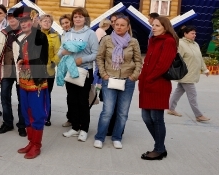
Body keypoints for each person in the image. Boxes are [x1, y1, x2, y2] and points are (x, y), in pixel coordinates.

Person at [94, 16, 142, 149]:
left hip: (128, 80)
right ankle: (99, 137)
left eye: (122, 25)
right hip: (109, 79)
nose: (119, 27)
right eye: (117, 25)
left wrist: (134, 76)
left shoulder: (133, 42)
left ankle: (117, 137)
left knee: (122, 112)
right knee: (107, 111)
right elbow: (100, 57)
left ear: (128, 27)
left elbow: (138, 60)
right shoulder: (107, 39)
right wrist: (103, 74)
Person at [138, 16, 178, 160]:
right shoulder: (153, 40)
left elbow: (163, 65)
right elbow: (147, 62)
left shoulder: (169, 41)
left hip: (158, 85)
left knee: (156, 118)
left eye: (157, 25)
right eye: (153, 25)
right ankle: (161, 146)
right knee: (146, 117)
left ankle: (159, 149)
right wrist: (142, 78)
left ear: (165, 27)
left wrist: (148, 78)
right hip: (147, 84)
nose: (153, 27)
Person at [14, 6, 50, 159]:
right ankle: (30, 142)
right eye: (21, 21)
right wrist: (20, 60)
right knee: (26, 112)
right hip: (24, 82)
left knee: (37, 114)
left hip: (37, 83)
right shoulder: (24, 39)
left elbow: (42, 57)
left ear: (34, 20)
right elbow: (21, 56)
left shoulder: (40, 36)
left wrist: (36, 27)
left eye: (27, 20)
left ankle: (37, 145)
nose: (23, 24)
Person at [58, 8, 98, 142]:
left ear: (85, 19)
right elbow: (60, 51)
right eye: (75, 17)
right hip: (70, 70)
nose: (78, 19)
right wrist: (62, 53)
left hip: (84, 71)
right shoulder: (68, 34)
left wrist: (82, 60)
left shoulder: (90, 33)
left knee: (82, 101)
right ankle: (75, 127)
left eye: (81, 17)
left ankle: (84, 129)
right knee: (72, 100)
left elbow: (95, 53)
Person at [0, 7, 26, 136]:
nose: (12, 20)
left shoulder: (25, 32)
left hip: (20, 71)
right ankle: (7, 123)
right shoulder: (2, 33)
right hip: (6, 69)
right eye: (10, 17)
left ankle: (22, 125)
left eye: (15, 17)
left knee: (22, 99)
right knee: (4, 97)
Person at [168, 25, 210, 122]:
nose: (194, 35)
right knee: (192, 95)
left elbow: (199, 58)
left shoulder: (195, 44)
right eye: (192, 33)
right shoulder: (181, 44)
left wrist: (205, 69)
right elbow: (177, 59)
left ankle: (171, 108)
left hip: (192, 73)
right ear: (185, 34)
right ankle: (198, 115)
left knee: (178, 91)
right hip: (186, 74)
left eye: (195, 33)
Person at [39, 14, 61, 126]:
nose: (46, 23)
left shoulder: (55, 36)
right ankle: (37, 115)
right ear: (40, 22)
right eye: (44, 21)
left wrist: (53, 63)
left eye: (49, 21)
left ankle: (47, 117)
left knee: (46, 94)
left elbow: (59, 52)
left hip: (49, 70)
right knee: (36, 93)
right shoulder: (34, 34)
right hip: (36, 70)